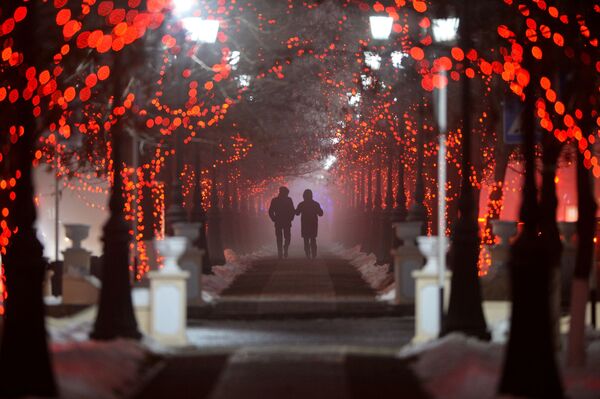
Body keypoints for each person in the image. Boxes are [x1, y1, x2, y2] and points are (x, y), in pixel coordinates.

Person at [295, 189, 324, 259]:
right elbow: (321, 214)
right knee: (313, 239)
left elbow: (297, 213)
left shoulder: (301, 204)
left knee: (306, 240)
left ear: (304, 196)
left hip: (305, 224)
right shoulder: (316, 204)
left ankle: (308, 254)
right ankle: (314, 254)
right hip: (313, 224)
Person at [268, 186, 295, 259]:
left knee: (279, 237)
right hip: (286, 221)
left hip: (278, 221)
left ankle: (280, 252)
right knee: (287, 237)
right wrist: (291, 218)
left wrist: (274, 218)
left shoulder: (275, 200)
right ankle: (285, 248)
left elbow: (270, 211)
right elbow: (292, 210)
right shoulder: (289, 200)